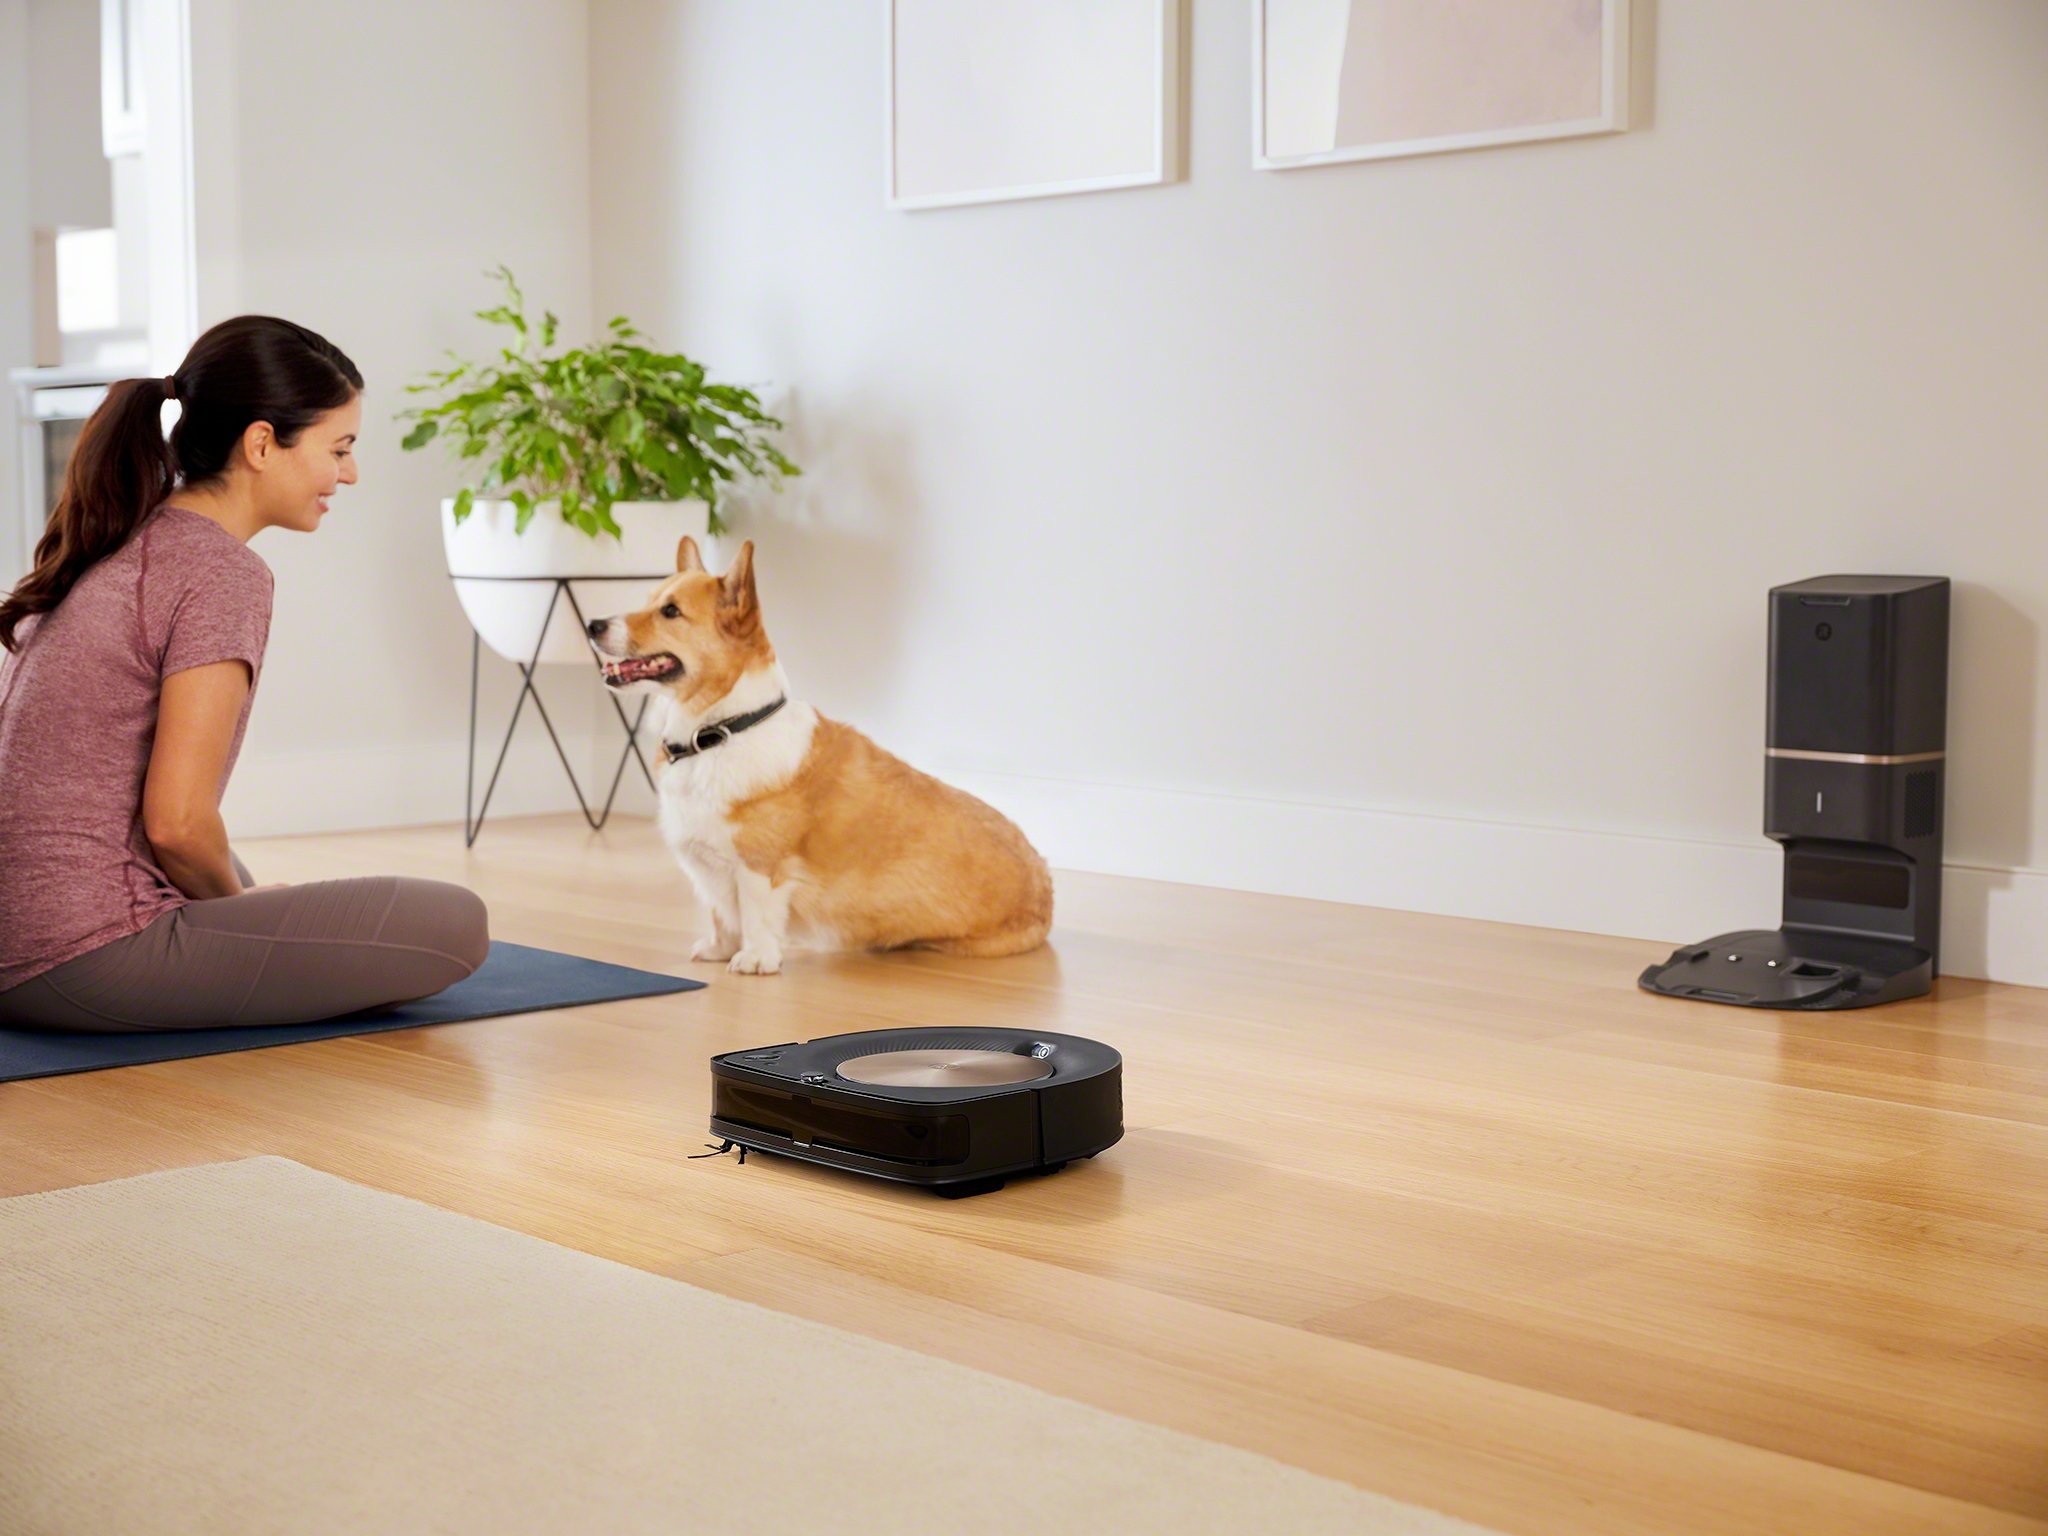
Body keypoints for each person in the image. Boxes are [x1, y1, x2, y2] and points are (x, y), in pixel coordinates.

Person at [0, 315, 488, 1032]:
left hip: (21, 945)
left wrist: (247, 900)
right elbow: (177, 825)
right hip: (84, 959)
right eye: (340, 448)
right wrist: (242, 910)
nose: (349, 473)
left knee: (252, 883)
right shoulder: (220, 571)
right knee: (457, 923)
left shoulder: (123, 539)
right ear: (262, 443)